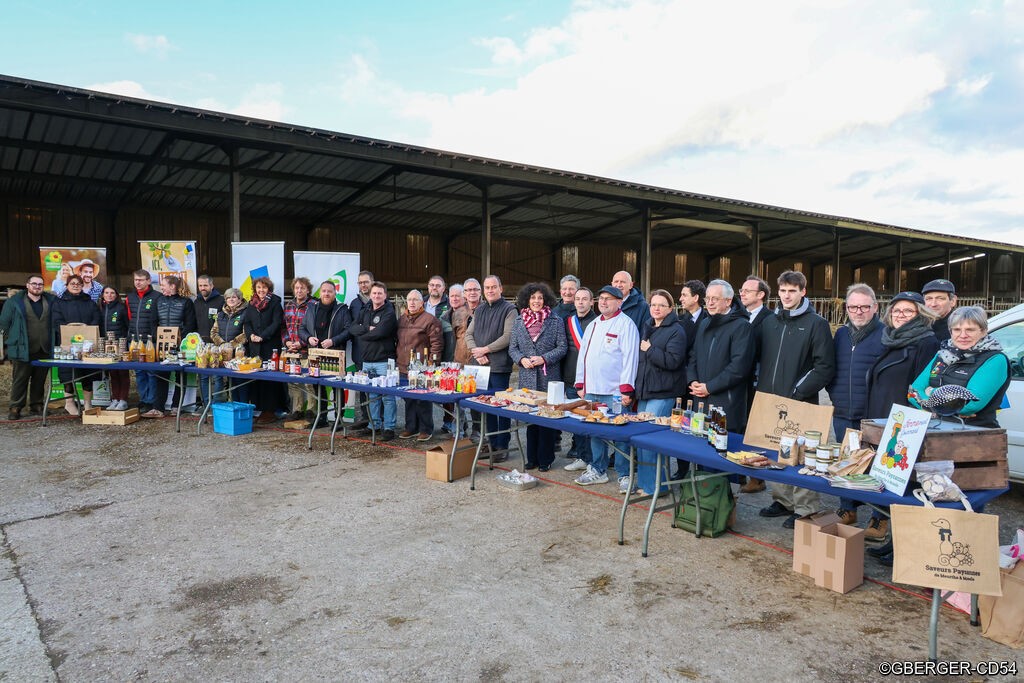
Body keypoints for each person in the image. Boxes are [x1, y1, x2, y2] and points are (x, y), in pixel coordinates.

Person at [757, 270, 836, 528]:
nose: (787, 296)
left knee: (803, 456)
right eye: (783, 291)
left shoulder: (816, 324)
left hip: (801, 401)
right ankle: (782, 500)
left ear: (803, 292)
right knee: (775, 451)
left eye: (792, 290)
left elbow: (824, 366)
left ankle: (804, 508)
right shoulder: (770, 322)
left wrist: (798, 392)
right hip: (771, 400)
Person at [826, 284, 885, 525]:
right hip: (842, 411)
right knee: (846, 462)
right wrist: (834, 393)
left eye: (864, 306)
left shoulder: (885, 334)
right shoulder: (841, 334)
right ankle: (847, 508)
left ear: (875, 307)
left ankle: (878, 517)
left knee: (876, 466)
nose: (858, 312)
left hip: (871, 415)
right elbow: (832, 367)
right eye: (853, 307)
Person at [573, 285, 640, 489]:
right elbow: (583, 356)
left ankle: (624, 474)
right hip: (593, 389)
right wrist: (580, 382)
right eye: (601, 298)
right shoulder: (593, 325)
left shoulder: (626, 325)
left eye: (609, 299)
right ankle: (597, 469)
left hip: (615, 392)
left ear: (619, 302)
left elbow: (631, 358)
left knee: (620, 434)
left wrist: (627, 389)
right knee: (596, 431)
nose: (603, 302)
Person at [625, 289, 687, 494]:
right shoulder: (648, 327)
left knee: (652, 443)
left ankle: (656, 487)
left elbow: (673, 361)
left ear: (670, 308)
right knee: (642, 441)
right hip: (645, 391)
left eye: (661, 305)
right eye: (653, 304)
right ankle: (645, 483)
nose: (656, 308)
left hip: (663, 392)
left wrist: (650, 350)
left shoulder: (676, 330)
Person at [910, 306, 1010, 429]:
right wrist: (945, 404)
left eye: (970, 330)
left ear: (983, 331)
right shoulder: (942, 354)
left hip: (975, 434)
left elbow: (972, 404)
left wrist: (929, 391)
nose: (963, 335)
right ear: (950, 331)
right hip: (936, 429)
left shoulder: (995, 360)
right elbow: (913, 393)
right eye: (957, 329)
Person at [509, 282, 567, 471]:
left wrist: (544, 358)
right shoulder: (519, 321)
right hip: (527, 377)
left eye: (540, 298)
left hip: (548, 376)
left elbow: (562, 347)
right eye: (533, 297)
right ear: (527, 299)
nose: (536, 301)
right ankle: (531, 458)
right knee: (531, 420)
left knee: (547, 419)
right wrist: (521, 359)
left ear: (546, 300)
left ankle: (545, 459)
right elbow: (513, 348)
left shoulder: (555, 320)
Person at [686, 279, 754, 433]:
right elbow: (694, 355)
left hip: (726, 404)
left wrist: (709, 387)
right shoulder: (704, 324)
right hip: (700, 400)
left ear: (728, 301)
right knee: (698, 449)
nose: (709, 303)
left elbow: (739, 367)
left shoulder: (741, 327)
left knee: (721, 450)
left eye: (715, 299)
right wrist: (693, 380)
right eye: (707, 299)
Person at [465, 275, 517, 459]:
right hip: (479, 367)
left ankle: (502, 446)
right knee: (486, 408)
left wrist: (485, 349)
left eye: (493, 287)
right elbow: (468, 334)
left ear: (501, 288)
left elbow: (508, 336)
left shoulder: (510, 310)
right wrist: (475, 352)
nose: (490, 290)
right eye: (487, 287)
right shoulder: (479, 310)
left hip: (498, 367)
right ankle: (491, 444)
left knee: (500, 408)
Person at [348, 281, 398, 441]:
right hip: (367, 360)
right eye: (374, 293)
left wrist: (364, 332)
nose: (376, 296)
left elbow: (380, 332)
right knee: (371, 395)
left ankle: (389, 428)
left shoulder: (389, 312)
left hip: (384, 360)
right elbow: (352, 328)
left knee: (387, 396)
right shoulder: (366, 310)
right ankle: (373, 425)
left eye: (380, 293)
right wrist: (366, 329)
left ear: (385, 295)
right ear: (370, 295)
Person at [737, 275, 773, 493]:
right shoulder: (739, 316)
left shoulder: (769, 319)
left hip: (758, 382)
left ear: (761, 295)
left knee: (756, 431)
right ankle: (741, 470)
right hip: (740, 382)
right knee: (740, 428)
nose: (742, 293)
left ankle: (757, 477)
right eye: (741, 290)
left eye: (747, 291)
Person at [1, 275, 54, 420]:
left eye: (40, 284)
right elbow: (4, 324)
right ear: (27, 285)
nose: (37, 286)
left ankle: (36, 404)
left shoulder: (50, 301)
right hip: (22, 347)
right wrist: (13, 340)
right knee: (20, 378)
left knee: (40, 379)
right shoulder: (14, 302)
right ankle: (15, 407)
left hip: (44, 347)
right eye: (34, 284)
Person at [300, 280, 351, 427]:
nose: (326, 294)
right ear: (320, 293)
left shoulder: (342, 309)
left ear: (335, 294)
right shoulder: (311, 308)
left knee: (337, 387)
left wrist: (333, 341)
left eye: (329, 291)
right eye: (324, 291)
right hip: (316, 353)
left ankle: (338, 419)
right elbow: (302, 329)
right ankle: (321, 418)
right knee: (318, 385)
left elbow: (349, 330)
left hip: (335, 353)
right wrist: (308, 338)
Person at [51, 274, 101, 415]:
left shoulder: (89, 301)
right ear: (66, 286)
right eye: (72, 283)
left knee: (88, 372)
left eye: (78, 283)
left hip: (87, 344)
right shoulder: (59, 302)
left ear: (82, 286)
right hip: (68, 343)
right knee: (68, 372)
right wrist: (71, 330)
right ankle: (69, 403)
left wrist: (86, 329)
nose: (75, 285)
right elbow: (56, 321)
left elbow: (96, 318)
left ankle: (87, 403)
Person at [396, 290, 442, 440]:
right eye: (409, 299)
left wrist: (432, 364)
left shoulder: (430, 320)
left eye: (415, 299)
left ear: (422, 302)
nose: (412, 302)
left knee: (422, 399)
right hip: (404, 365)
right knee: (408, 398)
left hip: (422, 367)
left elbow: (436, 344)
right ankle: (411, 427)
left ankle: (426, 429)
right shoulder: (402, 319)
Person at [562, 287, 599, 471]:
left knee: (590, 423)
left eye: (585, 299)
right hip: (570, 379)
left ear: (592, 302)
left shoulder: (598, 322)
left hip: (590, 381)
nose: (581, 302)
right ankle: (582, 456)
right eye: (578, 299)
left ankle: (593, 461)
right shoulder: (568, 321)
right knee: (576, 422)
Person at [151, 275, 198, 417]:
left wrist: (179, 340)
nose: (161, 288)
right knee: (161, 375)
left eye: (164, 285)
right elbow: (153, 322)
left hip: (180, 346)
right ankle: (158, 407)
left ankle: (177, 406)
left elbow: (190, 324)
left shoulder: (186, 302)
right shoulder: (157, 301)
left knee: (180, 375)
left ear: (172, 286)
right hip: (162, 345)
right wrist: (158, 337)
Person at [245, 276, 287, 424]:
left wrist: (262, 336)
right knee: (257, 378)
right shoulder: (251, 304)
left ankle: (271, 410)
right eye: (258, 288)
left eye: (264, 288)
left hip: (270, 345)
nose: (261, 290)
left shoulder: (275, 302)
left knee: (270, 379)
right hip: (255, 347)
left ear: (268, 289)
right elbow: (247, 322)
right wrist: (250, 335)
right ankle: (259, 408)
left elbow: (277, 323)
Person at [126, 269, 161, 415]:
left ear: (148, 281)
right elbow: (129, 316)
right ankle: (143, 399)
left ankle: (152, 401)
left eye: (141, 280)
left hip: (150, 341)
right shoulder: (130, 297)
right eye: (136, 280)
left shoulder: (157, 296)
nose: (138, 283)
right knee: (139, 372)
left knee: (151, 372)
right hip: (134, 340)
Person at [347, 270, 376, 430]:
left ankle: (378, 420)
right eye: (360, 282)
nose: (363, 285)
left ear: (372, 282)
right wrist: (367, 328)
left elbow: (382, 329)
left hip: (378, 353)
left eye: (366, 282)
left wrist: (362, 329)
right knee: (363, 387)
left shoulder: (380, 300)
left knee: (378, 388)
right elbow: (352, 328)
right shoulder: (355, 303)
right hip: (359, 352)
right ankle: (366, 418)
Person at [282, 277, 313, 420]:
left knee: (309, 383)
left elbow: (314, 329)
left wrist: (302, 343)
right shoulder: (288, 305)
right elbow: (283, 327)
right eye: (297, 288)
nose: (299, 291)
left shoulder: (313, 305)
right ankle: (297, 410)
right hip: (291, 351)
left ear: (308, 290)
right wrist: (287, 342)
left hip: (307, 350)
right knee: (293, 383)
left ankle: (311, 411)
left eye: (302, 288)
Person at [210, 288, 248, 403]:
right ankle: (232, 406)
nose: (231, 300)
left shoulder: (246, 312)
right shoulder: (220, 314)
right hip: (223, 353)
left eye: (234, 297)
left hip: (239, 353)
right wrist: (222, 344)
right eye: (228, 298)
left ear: (240, 299)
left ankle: (242, 406)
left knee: (240, 381)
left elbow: (246, 333)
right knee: (230, 381)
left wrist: (232, 345)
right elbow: (213, 332)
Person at [193, 274, 223, 414]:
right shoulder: (196, 302)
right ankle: (206, 405)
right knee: (203, 377)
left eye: (205, 285)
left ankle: (216, 405)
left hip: (216, 345)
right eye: (200, 285)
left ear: (212, 285)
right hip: (201, 345)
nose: (203, 288)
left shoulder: (221, 301)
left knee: (217, 377)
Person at [437, 283, 464, 434]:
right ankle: (454, 428)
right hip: (448, 361)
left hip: (463, 363)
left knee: (463, 401)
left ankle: (464, 433)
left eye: (457, 296)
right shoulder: (445, 317)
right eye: (452, 296)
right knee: (450, 396)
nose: (454, 299)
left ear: (464, 297)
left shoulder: (470, 315)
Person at [99, 285, 131, 411]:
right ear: (102, 294)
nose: (109, 295)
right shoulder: (100, 308)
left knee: (122, 372)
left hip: (120, 344)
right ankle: (115, 399)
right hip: (106, 346)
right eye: (106, 292)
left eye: (112, 292)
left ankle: (123, 399)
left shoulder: (121, 308)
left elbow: (127, 325)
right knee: (113, 373)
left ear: (116, 295)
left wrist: (125, 341)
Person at [922, 278, 957, 343]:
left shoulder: (960, 326)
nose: (933, 304)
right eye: (929, 299)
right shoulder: (918, 324)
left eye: (940, 298)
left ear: (953, 301)